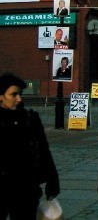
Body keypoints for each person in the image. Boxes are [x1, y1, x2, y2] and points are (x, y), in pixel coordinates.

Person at [0, 73, 60, 219]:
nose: (19, 99)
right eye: (13, 94)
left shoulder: (30, 119)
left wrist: (52, 179)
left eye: (20, 94)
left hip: (26, 188)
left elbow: (44, 150)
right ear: (1, 96)